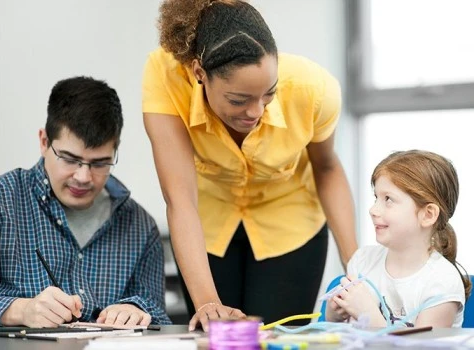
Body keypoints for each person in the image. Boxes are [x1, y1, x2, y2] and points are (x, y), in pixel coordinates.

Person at [142, 0, 357, 330]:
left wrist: (356, 268)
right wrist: (208, 303)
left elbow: (326, 168)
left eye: (268, 95)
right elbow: (180, 198)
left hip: (291, 226)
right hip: (208, 227)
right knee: (218, 336)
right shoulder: (167, 75)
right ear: (200, 73)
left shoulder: (314, 89)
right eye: (238, 100)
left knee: (275, 340)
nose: (256, 111)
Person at [0, 76, 171, 327]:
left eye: (100, 163)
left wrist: (136, 311)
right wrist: (20, 310)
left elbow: (159, 317)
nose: (83, 177)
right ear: (44, 142)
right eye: (69, 159)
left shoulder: (140, 226)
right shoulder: (4, 200)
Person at [326, 150, 471, 328]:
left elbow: (421, 348)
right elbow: (341, 332)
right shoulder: (362, 261)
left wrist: (369, 315)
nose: (373, 210)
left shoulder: (442, 281)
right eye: (376, 198)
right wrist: (334, 314)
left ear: (428, 215)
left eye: (388, 199)